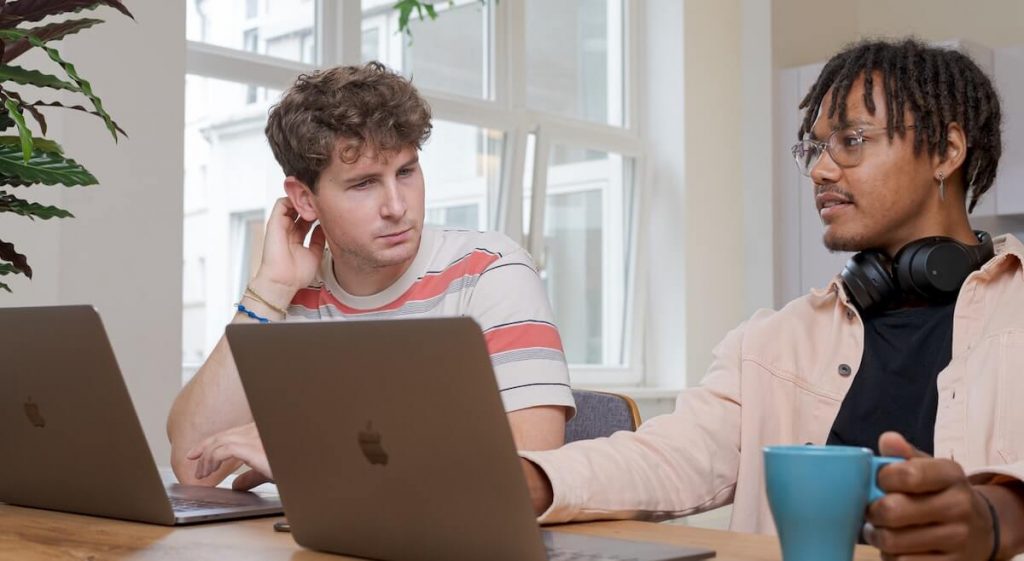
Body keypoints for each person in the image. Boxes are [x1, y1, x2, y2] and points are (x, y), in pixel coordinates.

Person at [518, 38, 1024, 560]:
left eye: (851, 139)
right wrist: (529, 480)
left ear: (946, 151)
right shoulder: (770, 342)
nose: (821, 170)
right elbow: (667, 457)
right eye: (815, 148)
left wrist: (994, 516)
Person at [167, 62, 575, 490]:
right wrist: (268, 290)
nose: (397, 206)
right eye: (364, 184)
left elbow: (533, 473)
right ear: (305, 199)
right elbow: (193, 465)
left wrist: (316, 461)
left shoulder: (490, 270)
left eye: (405, 172)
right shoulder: (293, 294)